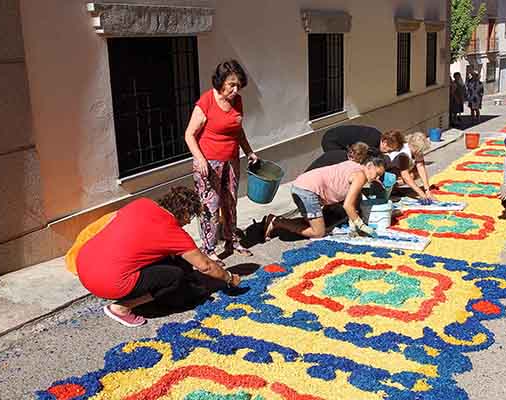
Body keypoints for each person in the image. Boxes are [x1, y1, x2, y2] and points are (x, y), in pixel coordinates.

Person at [76, 187, 241, 327]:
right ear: (183, 212)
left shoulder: (141, 203)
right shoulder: (173, 233)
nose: (188, 222)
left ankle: (168, 292)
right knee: (175, 276)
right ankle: (122, 308)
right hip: (107, 283)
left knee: (176, 262)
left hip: (84, 264)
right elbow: (205, 266)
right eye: (189, 217)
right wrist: (228, 278)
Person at [185, 59, 258, 265]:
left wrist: (249, 152)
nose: (235, 90)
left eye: (238, 85)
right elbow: (189, 134)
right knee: (210, 205)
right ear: (220, 82)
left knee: (231, 201)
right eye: (231, 85)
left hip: (231, 160)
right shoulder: (206, 102)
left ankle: (231, 239)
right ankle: (208, 249)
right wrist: (200, 160)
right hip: (209, 163)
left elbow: (237, 129)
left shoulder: (237, 101)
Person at [264, 157, 387, 239]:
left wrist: (353, 218)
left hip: (302, 185)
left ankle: (280, 222)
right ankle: (277, 222)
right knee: (318, 232)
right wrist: (361, 225)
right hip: (307, 191)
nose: (376, 179)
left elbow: (350, 194)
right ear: (369, 166)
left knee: (316, 223)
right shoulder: (361, 176)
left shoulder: (354, 165)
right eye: (377, 174)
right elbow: (348, 205)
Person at [388, 132, 434, 202]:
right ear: (416, 149)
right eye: (420, 151)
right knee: (409, 177)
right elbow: (406, 177)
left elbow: (421, 167)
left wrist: (427, 190)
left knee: (416, 173)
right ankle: (389, 189)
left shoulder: (415, 150)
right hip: (386, 174)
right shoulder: (404, 155)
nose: (421, 153)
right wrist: (421, 194)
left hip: (397, 172)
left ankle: (393, 188)